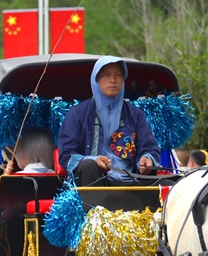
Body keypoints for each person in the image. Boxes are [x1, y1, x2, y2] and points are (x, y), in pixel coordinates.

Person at [57, 56, 162, 186]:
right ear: (96, 80)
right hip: (94, 181)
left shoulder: (135, 114)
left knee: (171, 185)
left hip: (131, 180)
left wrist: (146, 159)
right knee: (89, 166)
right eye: (107, 75)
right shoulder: (77, 113)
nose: (113, 80)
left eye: (118, 75)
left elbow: (150, 148)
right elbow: (66, 155)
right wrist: (94, 160)